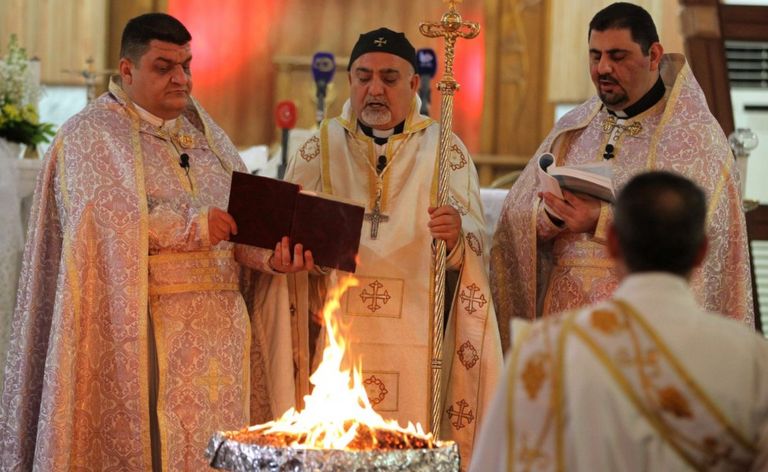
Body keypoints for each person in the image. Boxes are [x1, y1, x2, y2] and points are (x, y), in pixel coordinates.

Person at [0, 13, 312, 471]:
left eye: (186, 65)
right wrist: (193, 225)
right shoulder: (89, 135)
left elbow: (242, 222)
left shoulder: (207, 135)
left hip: (221, 336)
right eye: (164, 67)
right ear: (127, 71)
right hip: (144, 325)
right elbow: (101, 220)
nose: (181, 79)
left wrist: (273, 257)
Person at [251, 27, 502, 465]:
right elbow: (288, 239)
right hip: (338, 337)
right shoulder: (319, 149)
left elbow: (479, 246)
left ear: (413, 84)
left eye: (389, 77)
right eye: (364, 76)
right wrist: (294, 258)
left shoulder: (446, 152)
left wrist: (458, 239)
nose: (375, 89)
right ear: (350, 81)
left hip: (418, 342)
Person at [490, 2, 753, 351]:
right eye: (595, 55)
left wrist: (602, 220)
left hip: (644, 329)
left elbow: (704, 229)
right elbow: (515, 214)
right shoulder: (573, 128)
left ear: (653, 55)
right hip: (564, 326)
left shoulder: (694, 136)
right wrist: (551, 215)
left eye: (617, 55)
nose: (602, 68)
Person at [472, 171, 768, 471]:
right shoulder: (755, 360)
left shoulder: (545, 349)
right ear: (702, 251)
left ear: (613, 242)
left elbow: (496, 463)